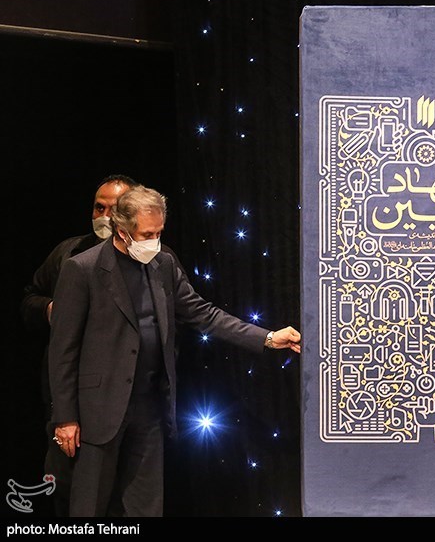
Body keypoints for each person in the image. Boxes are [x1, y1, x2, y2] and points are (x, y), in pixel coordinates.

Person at [48, 185, 302, 517]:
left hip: (149, 407)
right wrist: (65, 418)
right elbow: (63, 350)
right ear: (122, 231)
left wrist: (267, 337)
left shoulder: (163, 264)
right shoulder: (82, 269)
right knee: (89, 508)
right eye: (147, 234)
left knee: (146, 507)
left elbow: (204, 314)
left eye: (159, 233)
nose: (154, 241)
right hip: (98, 409)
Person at [20, 174, 144, 516]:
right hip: (71, 398)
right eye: (98, 208)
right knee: (72, 495)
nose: (104, 216)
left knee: (126, 500)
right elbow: (29, 298)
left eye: (114, 208)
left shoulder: (149, 258)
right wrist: (50, 309)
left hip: (125, 400)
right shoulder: (69, 254)